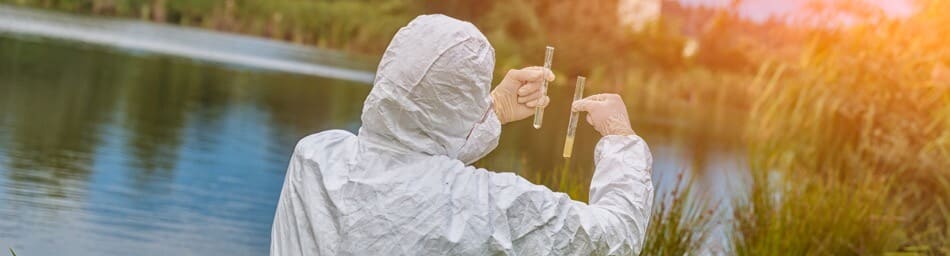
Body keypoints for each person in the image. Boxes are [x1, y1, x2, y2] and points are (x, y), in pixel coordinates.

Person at [270, 14, 654, 256]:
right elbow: (616, 239)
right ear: (461, 99)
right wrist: (620, 139)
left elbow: (406, 159)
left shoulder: (315, 157)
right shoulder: (489, 206)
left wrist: (495, 111)